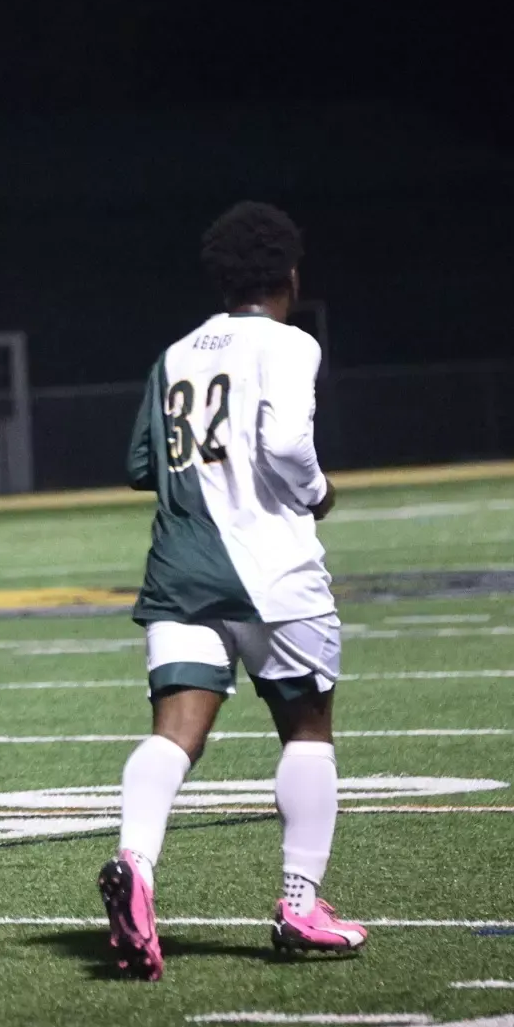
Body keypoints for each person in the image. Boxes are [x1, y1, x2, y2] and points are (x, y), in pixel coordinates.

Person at [100, 201, 363, 980]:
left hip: (180, 572)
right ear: (289, 273)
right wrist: (316, 490)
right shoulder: (289, 342)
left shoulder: (176, 351)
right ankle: (298, 903)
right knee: (307, 730)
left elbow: (143, 462)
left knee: (173, 732)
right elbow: (284, 440)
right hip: (274, 573)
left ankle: (137, 865)